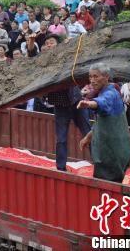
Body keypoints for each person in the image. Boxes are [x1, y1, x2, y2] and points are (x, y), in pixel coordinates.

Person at [43, 34, 91, 171]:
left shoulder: (67, 56)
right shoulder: (45, 62)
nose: (49, 45)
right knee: (61, 138)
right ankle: (61, 167)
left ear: (58, 44)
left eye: (51, 42)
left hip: (76, 101)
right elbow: (31, 53)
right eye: (47, 43)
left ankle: (100, 164)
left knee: (88, 132)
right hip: (60, 105)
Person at [78, 63, 130, 183]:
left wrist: (89, 103)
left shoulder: (111, 93)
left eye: (96, 77)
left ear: (106, 76)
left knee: (109, 189)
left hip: (112, 154)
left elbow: (102, 102)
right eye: (90, 77)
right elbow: (101, 121)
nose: (92, 80)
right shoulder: (103, 91)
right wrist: (88, 137)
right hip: (109, 152)